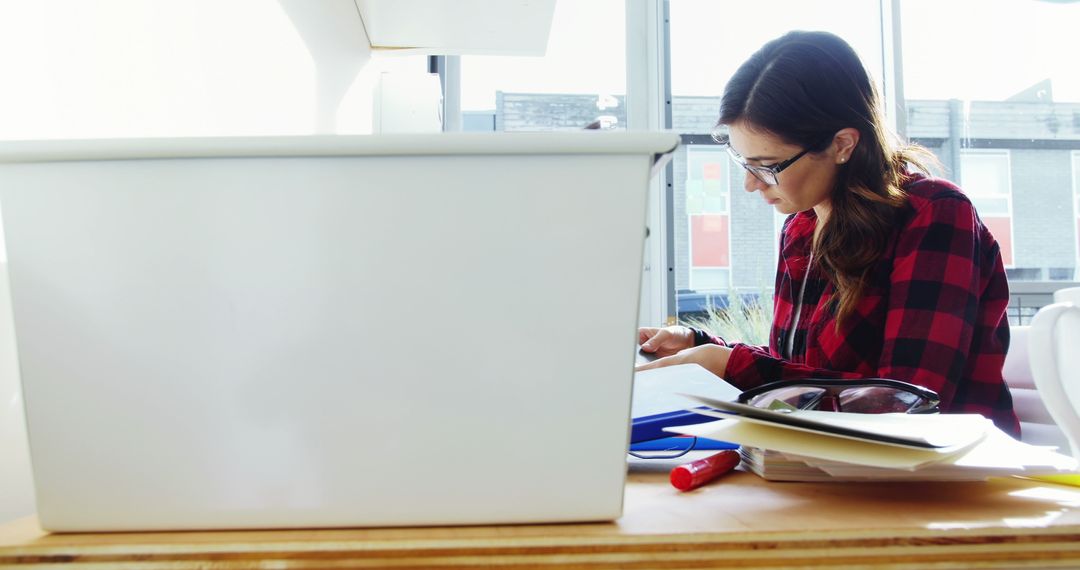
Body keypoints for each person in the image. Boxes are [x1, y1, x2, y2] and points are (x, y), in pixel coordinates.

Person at [637, 30, 1019, 436]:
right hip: (838, 469)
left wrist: (733, 366)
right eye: (742, 162)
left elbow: (910, 403)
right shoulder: (801, 227)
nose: (751, 184)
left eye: (768, 166)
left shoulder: (935, 215)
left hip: (948, 482)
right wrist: (701, 345)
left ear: (842, 144)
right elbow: (804, 372)